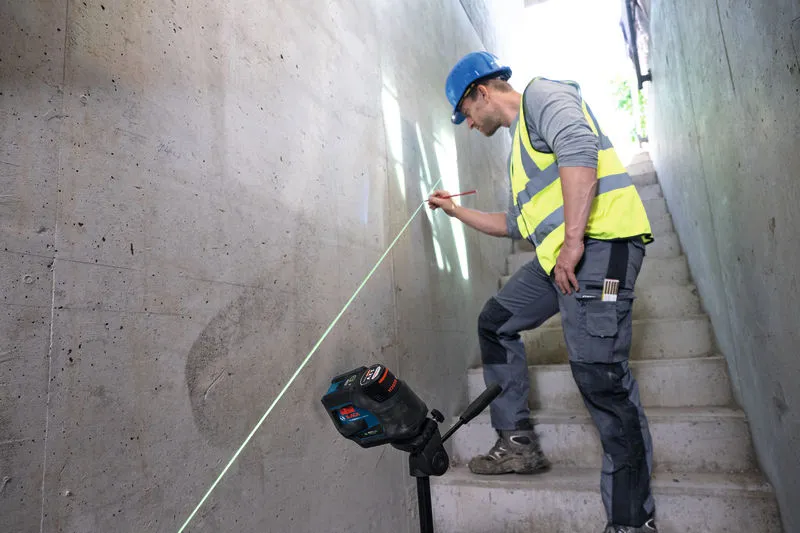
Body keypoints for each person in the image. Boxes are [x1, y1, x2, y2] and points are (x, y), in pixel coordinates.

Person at [427, 51, 658, 533]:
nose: (468, 124)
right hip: (560, 261)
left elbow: (578, 145)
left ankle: (632, 522)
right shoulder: (518, 153)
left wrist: (574, 241)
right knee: (494, 322)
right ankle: (518, 444)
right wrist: (455, 213)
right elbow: (517, 225)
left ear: (481, 93)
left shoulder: (543, 95)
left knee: (602, 382)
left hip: (601, 248)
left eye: (465, 113)